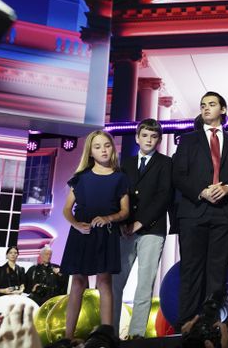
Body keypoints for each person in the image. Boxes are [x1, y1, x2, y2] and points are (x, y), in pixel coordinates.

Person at [174, 92, 228, 327]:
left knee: (217, 272)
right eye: (203, 105)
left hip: (224, 213)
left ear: (223, 109)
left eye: (212, 104)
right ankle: (188, 326)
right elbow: (178, 175)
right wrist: (201, 191)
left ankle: (211, 326)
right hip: (194, 210)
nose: (206, 108)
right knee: (191, 270)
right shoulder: (187, 140)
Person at [60, 130, 130, 341]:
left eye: (107, 145)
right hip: (82, 234)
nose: (103, 150)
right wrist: (76, 225)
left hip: (105, 235)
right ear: (90, 152)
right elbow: (66, 209)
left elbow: (125, 211)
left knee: (104, 282)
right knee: (78, 283)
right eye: (98, 147)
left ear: (113, 148)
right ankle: (67, 337)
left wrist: (109, 218)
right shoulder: (80, 178)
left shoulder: (120, 178)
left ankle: (106, 336)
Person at [112, 118, 173, 339]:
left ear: (159, 140)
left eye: (154, 136)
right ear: (137, 138)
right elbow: (118, 195)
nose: (149, 139)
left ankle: (137, 334)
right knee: (116, 282)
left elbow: (164, 197)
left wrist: (139, 222)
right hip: (125, 229)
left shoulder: (166, 163)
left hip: (152, 229)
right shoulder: (125, 164)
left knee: (144, 283)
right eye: (145, 135)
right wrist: (121, 223)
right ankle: (110, 331)